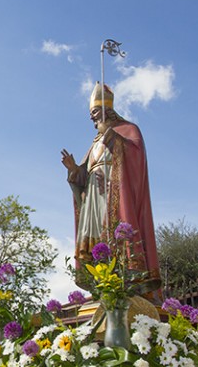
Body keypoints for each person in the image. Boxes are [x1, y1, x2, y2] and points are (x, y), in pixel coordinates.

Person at [61, 82, 160, 290]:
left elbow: (136, 156)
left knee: (116, 236)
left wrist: (113, 138)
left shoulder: (129, 129)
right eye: (91, 113)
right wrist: (74, 171)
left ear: (107, 111)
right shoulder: (95, 143)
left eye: (95, 111)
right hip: (94, 198)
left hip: (115, 195)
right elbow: (84, 175)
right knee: (96, 241)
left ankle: (123, 281)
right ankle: (103, 281)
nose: (91, 117)